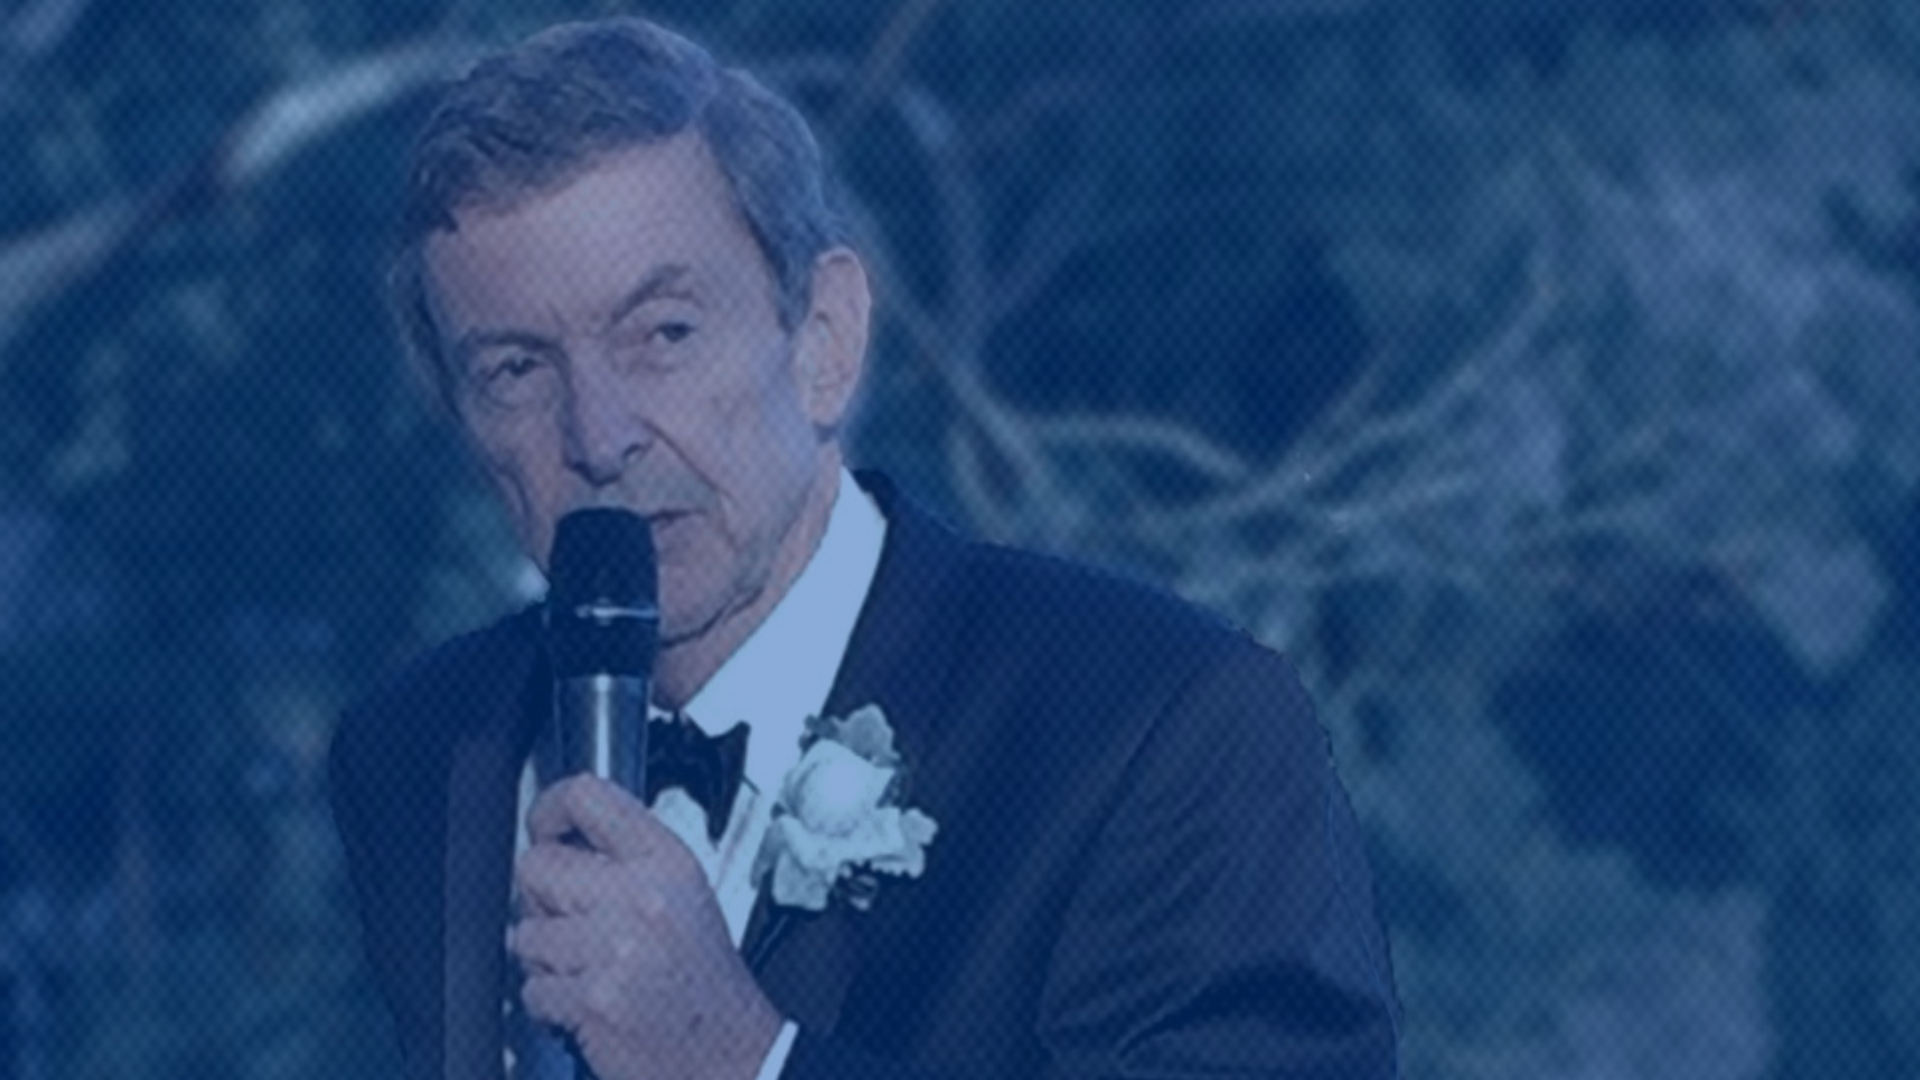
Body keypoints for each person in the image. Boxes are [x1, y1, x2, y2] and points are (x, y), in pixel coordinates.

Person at [328, 15, 1401, 1080]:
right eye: (516, 370)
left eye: (664, 333)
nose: (599, 436)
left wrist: (746, 1061)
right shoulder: (420, 752)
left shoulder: (1168, 727)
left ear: (825, 341)